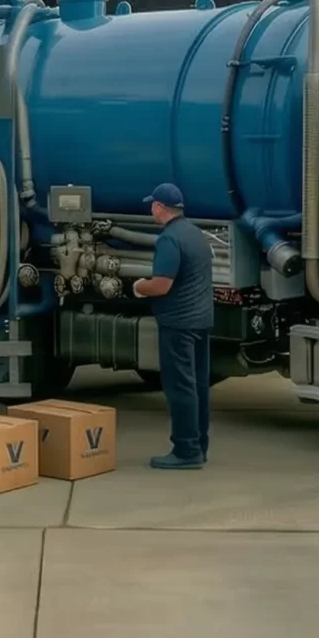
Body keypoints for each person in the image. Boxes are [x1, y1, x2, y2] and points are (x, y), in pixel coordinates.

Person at [131, 183, 213, 469]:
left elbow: (161, 285)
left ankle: (186, 451)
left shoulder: (169, 239)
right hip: (201, 320)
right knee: (198, 386)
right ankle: (199, 445)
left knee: (180, 387)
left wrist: (139, 287)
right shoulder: (195, 233)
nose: (150, 209)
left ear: (159, 207)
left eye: (152, 205)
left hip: (178, 323)